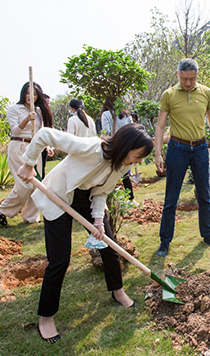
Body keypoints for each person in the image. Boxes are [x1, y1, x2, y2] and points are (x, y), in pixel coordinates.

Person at [17, 124, 153, 343]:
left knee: (109, 245)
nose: (135, 163)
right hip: (59, 195)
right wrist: (28, 163)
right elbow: (44, 135)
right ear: (126, 146)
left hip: (86, 198)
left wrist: (98, 220)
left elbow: (102, 192)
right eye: (136, 157)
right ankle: (46, 317)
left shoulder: (121, 165)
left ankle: (118, 292)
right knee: (59, 260)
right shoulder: (91, 147)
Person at [154, 58, 210, 258]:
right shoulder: (168, 95)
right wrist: (158, 153)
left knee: (204, 195)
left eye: (192, 79)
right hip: (177, 149)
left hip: (200, 148)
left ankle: (208, 236)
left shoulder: (206, 93)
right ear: (178, 75)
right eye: (184, 79)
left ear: (196, 76)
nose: (188, 83)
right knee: (171, 198)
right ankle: (165, 242)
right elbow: (160, 126)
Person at [0, 82, 53, 226]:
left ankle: (30, 216)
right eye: (27, 93)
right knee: (24, 185)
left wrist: (47, 146)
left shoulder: (38, 111)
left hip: (34, 148)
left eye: (34, 94)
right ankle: (2, 211)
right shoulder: (14, 109)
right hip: (19, 146)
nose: (30, 97)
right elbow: (14, 130)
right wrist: (27, 118)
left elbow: (41, 132)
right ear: (22, 94)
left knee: (36, 183)